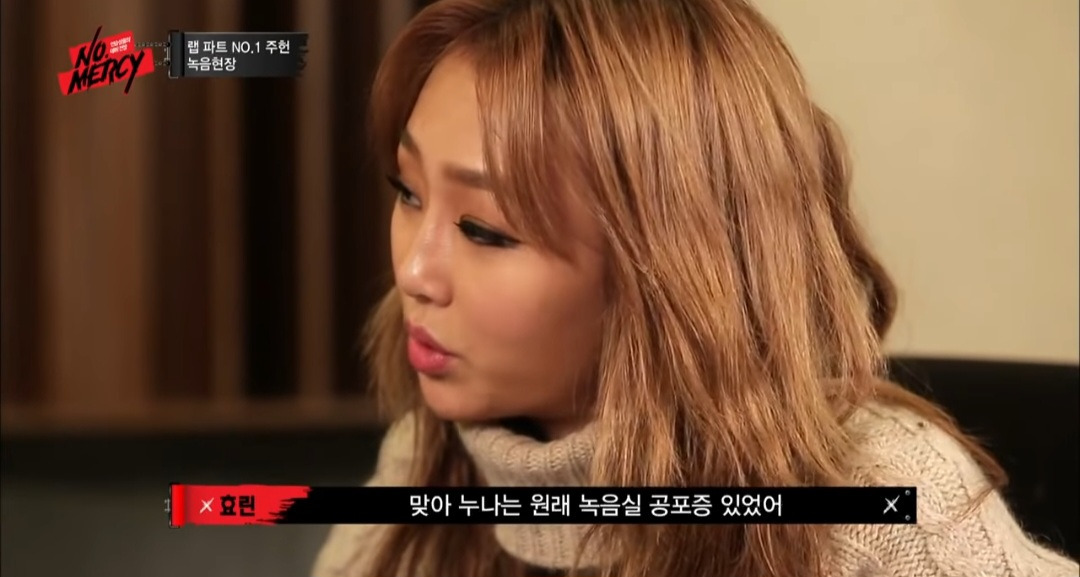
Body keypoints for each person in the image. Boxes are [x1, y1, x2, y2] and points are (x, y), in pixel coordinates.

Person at [313, 0, 1080, 575]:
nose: (413, 271)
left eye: (484, 229)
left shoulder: (885, 511)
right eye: (407, 191)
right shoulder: (428, 455)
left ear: (671, 274)